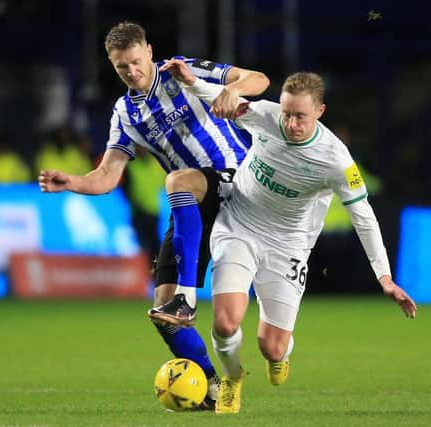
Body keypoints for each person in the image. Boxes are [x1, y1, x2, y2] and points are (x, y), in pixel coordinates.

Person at [38, 21, 270, 409]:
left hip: (234, 179)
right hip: (191, 204)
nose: (132, 72)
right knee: (163, 314)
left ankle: (188, 298)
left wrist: (231, 90)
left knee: (178, 180)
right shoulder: (125, 113)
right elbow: (106, 176)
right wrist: (73, 182)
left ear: (149, 50)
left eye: (135, 61)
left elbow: (258, 79)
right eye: (120, 68)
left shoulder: (183, 70)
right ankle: (213, 389)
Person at [168, 67, 417, 414]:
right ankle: (231, 378)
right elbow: (223, 98)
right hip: (239, 224)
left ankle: (279, 354)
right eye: (286, 114)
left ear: (320, 111)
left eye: (300, 116)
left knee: (271, 346)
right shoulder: (266, 117)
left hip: (287, 246)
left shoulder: (337, 160)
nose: (291, 124)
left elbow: (365, 217)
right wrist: (189, 81)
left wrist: (384, 277)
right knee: (226, 322)